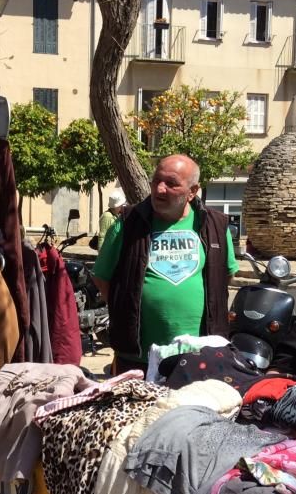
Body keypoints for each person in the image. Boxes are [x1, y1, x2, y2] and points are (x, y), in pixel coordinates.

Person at [93, 154, 239, 373]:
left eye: (171, 184)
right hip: (137, 357)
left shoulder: (215, 225)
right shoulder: (127, 223)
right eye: (156, 181)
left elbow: (225, 276)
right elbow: (101, 277)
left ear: (192, 191)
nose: (160, 189)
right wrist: (127, 306)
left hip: (198, 354)